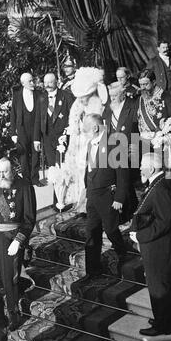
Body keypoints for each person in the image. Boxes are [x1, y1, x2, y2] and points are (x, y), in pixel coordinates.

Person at [129, 153, 171, 337]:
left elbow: (164, 221)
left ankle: (162, 325)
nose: (140, 168)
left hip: (158, 245)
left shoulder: (160, 188)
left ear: (151, 169)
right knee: (163, 283)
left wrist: (140, 236)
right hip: (158, 244)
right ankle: (168, 319)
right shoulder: (160, 182)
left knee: (158, 285)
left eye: (142, 165)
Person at [0, 158, 37, 331]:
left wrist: (19, 240)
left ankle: (14, 315)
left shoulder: (24, 186)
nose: (1, 175)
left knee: (9, 277)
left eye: (5, 172)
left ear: (13, 170)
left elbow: (29, 219)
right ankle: (17, 287)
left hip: (11, 237)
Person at [79, 114, 129, 283]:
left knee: (111, 229)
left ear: (95, 128)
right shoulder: (89, 143)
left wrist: (119, 197)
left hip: (108, 195)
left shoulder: (114, 142)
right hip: (93, 195)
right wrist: (87, 191)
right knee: (91, 233)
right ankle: (92, 270)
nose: (84, 133)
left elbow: (122, 173)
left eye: (86, 129)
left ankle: (123, 255)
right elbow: (89, 169)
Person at [63, 67, 108, 215]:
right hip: (80, 142)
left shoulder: (97, 103)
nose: (81, 99)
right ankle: (82, 202)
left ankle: (92, 201)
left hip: (93, 141)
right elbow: (74, 122)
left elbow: (99, 127)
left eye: (84, 96)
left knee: (92, 171)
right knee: (80, 170)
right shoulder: (77, 105)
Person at [103, 82, 139, 222]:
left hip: (129, 149)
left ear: (123, 94)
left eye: (115, 95)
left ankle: (132, 210)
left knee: (126, 181)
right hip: (113, 149)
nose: (112, 98)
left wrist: (134, 149)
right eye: (110, 95)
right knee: (119, 182)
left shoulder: (132, 105)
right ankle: (127, 210)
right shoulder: (108, 108)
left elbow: (137, 129)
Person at [34, 73, 75, 168]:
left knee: (64, 164)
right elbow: (37, 120)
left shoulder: (66, 96)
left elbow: (73, 117)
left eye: (50, 82)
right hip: (47, 138)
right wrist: (36, 139)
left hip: (63, 137)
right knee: (52, 165)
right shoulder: (41, 98)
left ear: (56, 82)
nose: (47, 85)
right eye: (45, 82)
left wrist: (68, 133)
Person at [10, 73, 42, 187]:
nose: (33, 83)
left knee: (35, 154)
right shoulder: (17, 96)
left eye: (33, 80)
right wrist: (13, 132)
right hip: (22, 129)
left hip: (35, 128)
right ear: (23, 83)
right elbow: (13, 114)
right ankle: (26, 181)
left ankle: (35, 179)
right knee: (23, 155)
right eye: (30, 81)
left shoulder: (38, 94)